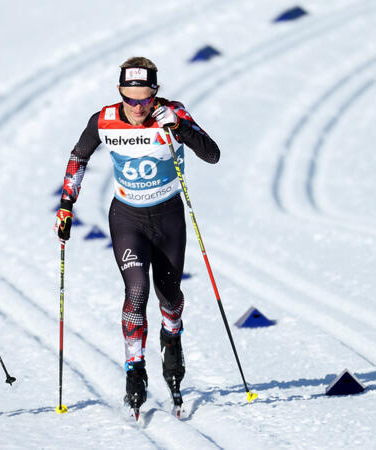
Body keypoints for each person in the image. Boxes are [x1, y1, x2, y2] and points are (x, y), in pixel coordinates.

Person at [54, 56, 220, 412]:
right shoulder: (104, 120)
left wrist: (181, 128)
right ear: (120, 93)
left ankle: (172, 339)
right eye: (130, 99)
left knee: (170, 296)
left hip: (169, 216)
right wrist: (67, 205)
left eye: (145, 98)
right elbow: (78, 157)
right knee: (137, 290)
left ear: (155, 94)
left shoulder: (174, 114)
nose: (137, 107)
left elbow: (212, 155)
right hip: (128, 218)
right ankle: (135, 368)